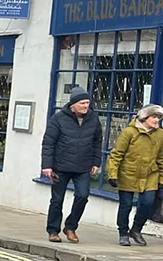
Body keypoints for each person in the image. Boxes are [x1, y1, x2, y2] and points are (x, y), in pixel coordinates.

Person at [40, 87, 102, 243]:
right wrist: (47, 166)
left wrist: (96, 162)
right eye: (82, 103)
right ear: (73, 105)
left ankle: (70, 227)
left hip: (83, 166)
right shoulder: (58, 119)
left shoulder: (93, 119)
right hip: (60, 167)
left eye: (87, 103)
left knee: (83, 196)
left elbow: (97, 142)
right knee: (57, 200)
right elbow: (48, 143)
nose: (86, 106)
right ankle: (53, 230)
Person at [107, 104, 163, 247]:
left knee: (148, 204)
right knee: (125, 205)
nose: (157, 120)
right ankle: (123, 233)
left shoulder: (160, 134)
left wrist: (161, 178)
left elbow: (161, 158)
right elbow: (116, 155)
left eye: (159, 117)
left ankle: (136, 230)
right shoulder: (129, 132)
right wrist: (112, 174)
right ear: (144, 118)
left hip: (150, 175)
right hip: (129, 173)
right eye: (154, 117)